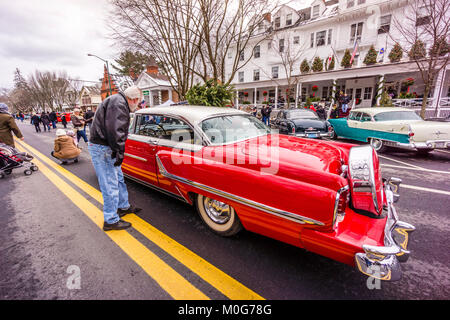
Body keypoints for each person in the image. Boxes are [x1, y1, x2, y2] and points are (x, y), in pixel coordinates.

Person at [88, 86, 142, 231]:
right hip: (104, 147)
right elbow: (115, 130)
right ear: (134, 99)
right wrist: (119, 151)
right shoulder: (119, 104)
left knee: (118, 178)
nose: (137, 106)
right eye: (138, 102)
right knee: (110, 183)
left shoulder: (117, 101)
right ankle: (111, 219)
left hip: (104, 146)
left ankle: (123, 206)